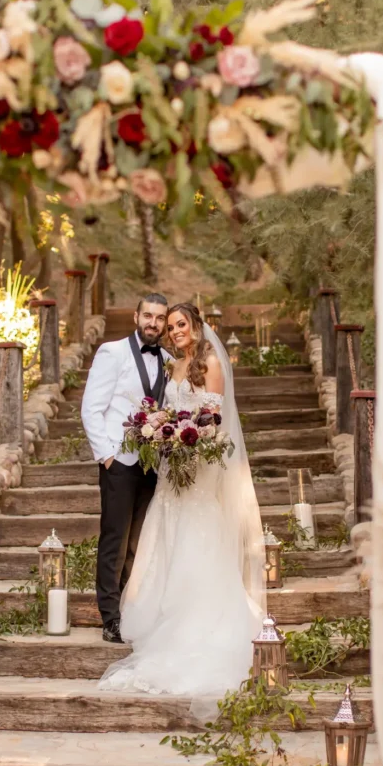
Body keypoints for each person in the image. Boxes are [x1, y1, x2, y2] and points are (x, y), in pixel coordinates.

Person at [98, 302, 265, 702]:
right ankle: (163, 614)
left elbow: (215, 420)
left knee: (197, 533)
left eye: (180, 324)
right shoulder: (174, 366)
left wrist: (186, 438)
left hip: (200, 469)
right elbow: (168, 413)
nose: (174, 331)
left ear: (195, 325)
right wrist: (161, 432)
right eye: (170, 326)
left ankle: (199, 620)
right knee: (166, 532)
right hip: (172, 468)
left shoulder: (209, 362)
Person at [81, 293, 171, 644]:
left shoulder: (166, 359)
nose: (153, 323)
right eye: (148, 315)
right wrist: (106, 456)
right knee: (114, 540)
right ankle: (109, 617)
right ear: (136, 316)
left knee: (139, 543)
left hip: (153, 464)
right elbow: (92, 408)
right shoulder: (112, 352)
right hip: (119, 461)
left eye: (160, 318)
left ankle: (129, 609)